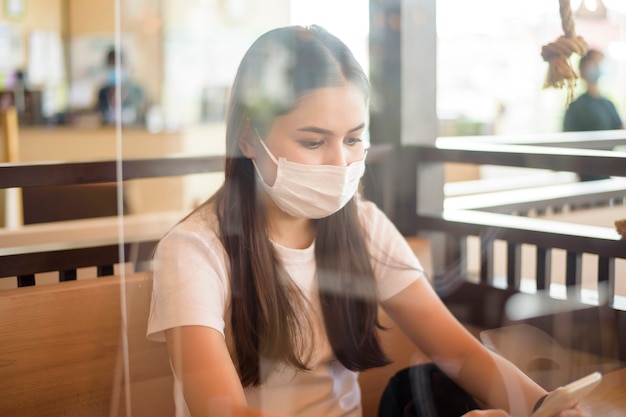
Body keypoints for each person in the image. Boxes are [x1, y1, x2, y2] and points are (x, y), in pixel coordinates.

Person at [147, 25, 590, 417]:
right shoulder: (194, 249)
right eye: (313, 141)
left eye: (354, 139)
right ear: (247, 136)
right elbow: (222, 411)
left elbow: (459, 352)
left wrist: (541, 406)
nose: (340, 163)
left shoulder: (362, 226)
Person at [563, 48, 623, 181]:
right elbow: (567, 140)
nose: (598, 68)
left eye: (600, 63)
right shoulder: (576, 106)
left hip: (607, 172)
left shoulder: (608, 104)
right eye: (594, 64)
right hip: (586, 174)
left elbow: (620, 129)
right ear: (584, 68)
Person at [96, 47, 148, 126]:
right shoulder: (102, 93)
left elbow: (144, 119)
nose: (114, 70)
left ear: (125, 66)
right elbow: (99, 118)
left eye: (118, 66)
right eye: (111, 66)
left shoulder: (137, 91)